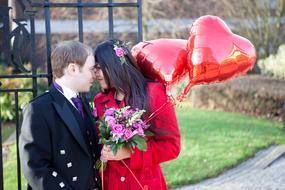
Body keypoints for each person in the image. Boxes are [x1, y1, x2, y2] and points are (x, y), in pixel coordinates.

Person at [93, 39, 181, 190]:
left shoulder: (153, 93)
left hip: (143, 183)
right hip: (112, 184)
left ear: (114, 66)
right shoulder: (99, 101)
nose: (96, 74)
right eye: (95, 69)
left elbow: (171, 146)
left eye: (99, 68)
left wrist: (129, 153)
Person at [19, 41, 101, 190]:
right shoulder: (38, 109)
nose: (94, 75)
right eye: (91, 69)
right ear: (73, 69)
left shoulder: (83, 102)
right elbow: (35, 167)